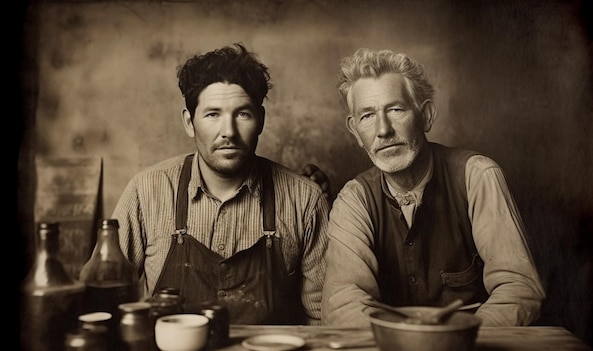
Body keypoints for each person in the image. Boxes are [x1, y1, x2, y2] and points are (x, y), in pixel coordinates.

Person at [321, 48, 546, 327]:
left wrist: (454, 343)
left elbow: (519, 290)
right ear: (355, 131)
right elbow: (343, 303)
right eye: (367, 116)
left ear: (426, 115)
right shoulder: (353, 200)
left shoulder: (477, 176)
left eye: (395, 109)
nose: (383, 130)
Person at [112, 43, 330, 325]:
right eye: (212, 114)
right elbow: (108, 305)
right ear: (190, 123)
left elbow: (322, 320)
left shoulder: (305, 200)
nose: (228, 132)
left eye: (242, 114)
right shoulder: (146, 193)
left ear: (261, 120)